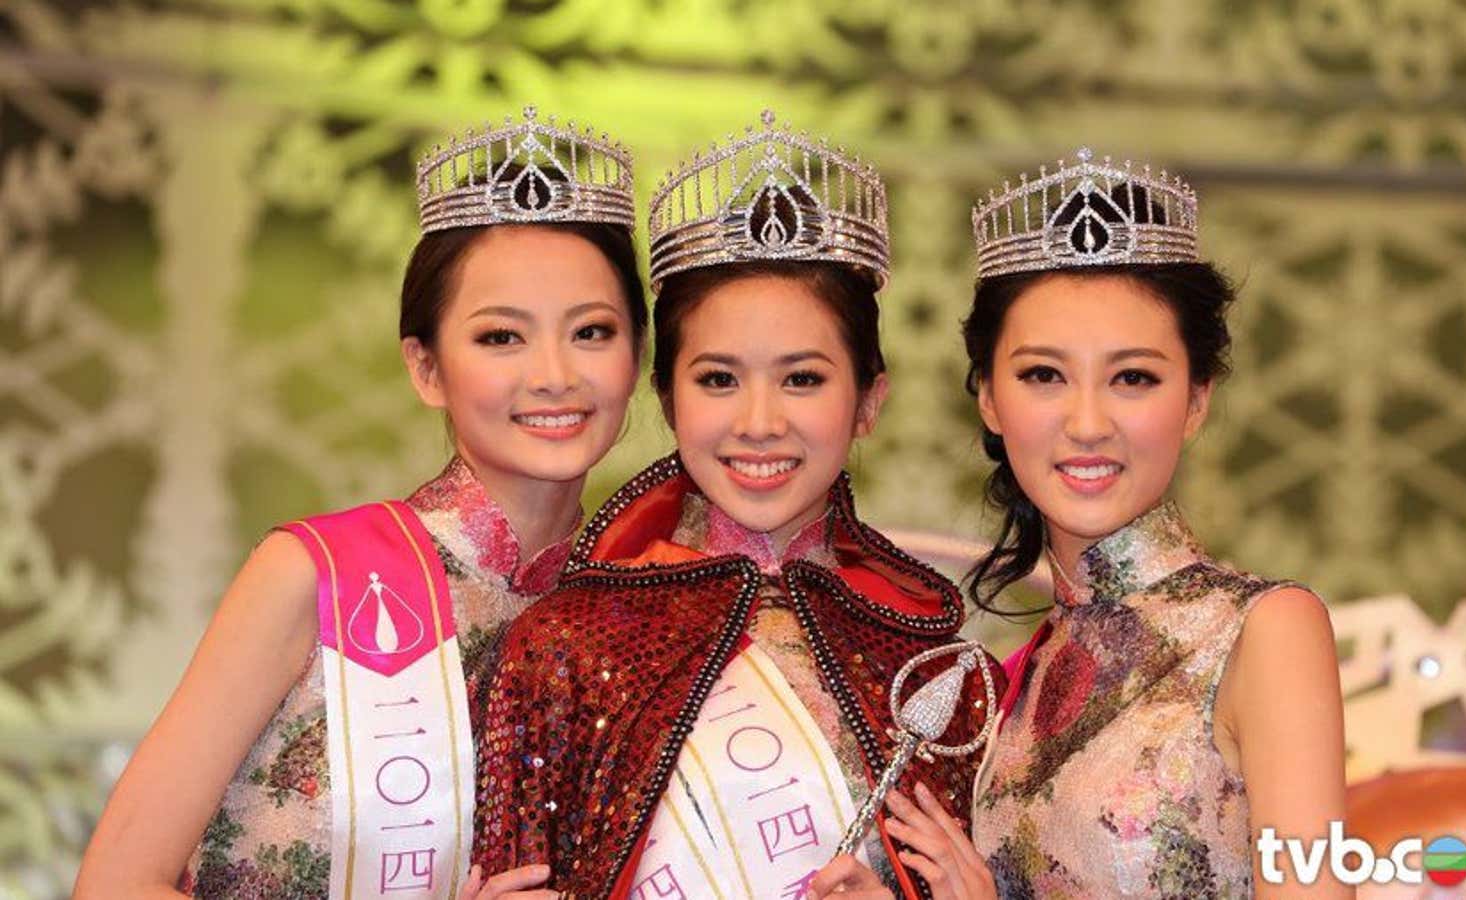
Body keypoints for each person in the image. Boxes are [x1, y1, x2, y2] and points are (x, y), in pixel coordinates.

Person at [75, 106, 646, 900]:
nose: (554, 373)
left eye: (591, 331)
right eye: (500, 338)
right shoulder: (316, 574)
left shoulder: (637, 612)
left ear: (638, 359)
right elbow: (113, 884)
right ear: (426, 368)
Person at [470, 110, 998, 899]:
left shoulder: (934, 676)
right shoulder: (563, 646)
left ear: (868, 402)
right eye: (719, 379)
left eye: (803, 379)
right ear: (668, 398)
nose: (759, 422)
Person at [809, 149, 1348, 899]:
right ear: (990, 400)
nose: (1088, 423)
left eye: (1133, 378)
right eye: (1043, 376)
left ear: (1197, 400)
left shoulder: (1264, 631)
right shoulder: (1011, 687)